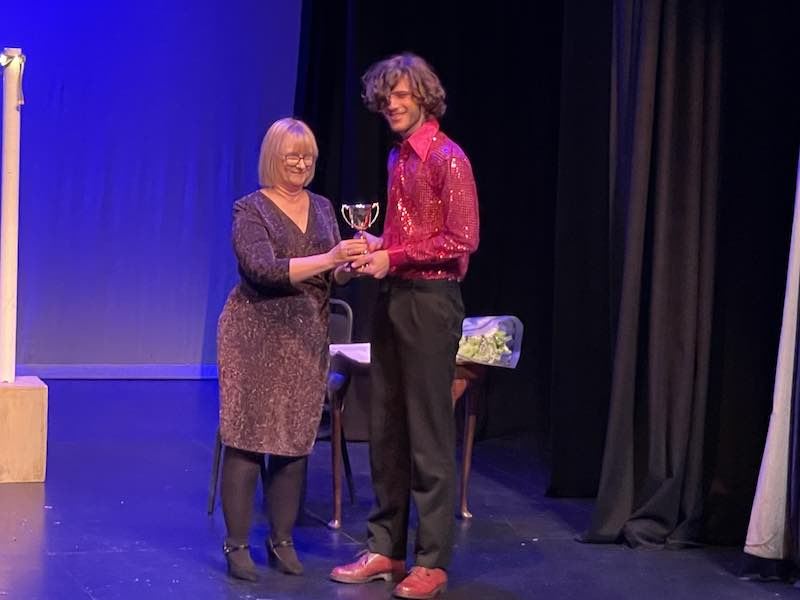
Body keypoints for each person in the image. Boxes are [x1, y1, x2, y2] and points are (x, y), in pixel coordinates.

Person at [330, 53, 479, 599]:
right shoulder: (398, 160)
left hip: (431, 301)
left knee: (427, 431)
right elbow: (403, 237)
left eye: (402, 94)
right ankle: (386, 548)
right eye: (386, 96)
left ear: (423, 97)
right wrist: (375, 247)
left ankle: (432, 560)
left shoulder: (448, 158)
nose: (391, 103)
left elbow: (462, 241)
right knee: (387, 425)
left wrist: (392, 258)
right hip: (393, 297)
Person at [217, 118, 366, 581]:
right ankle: (237, 544)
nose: (302, 165)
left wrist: (347, 267)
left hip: (305, 339)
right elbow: (263, 268)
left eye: (308, 158)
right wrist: (329, 258)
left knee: (293, 443)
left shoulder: (321, 207)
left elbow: (328, 273)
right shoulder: (251, 209)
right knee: (246, 440)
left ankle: (281, 540)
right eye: (292, 157)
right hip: (255, 336)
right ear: (272, 159)